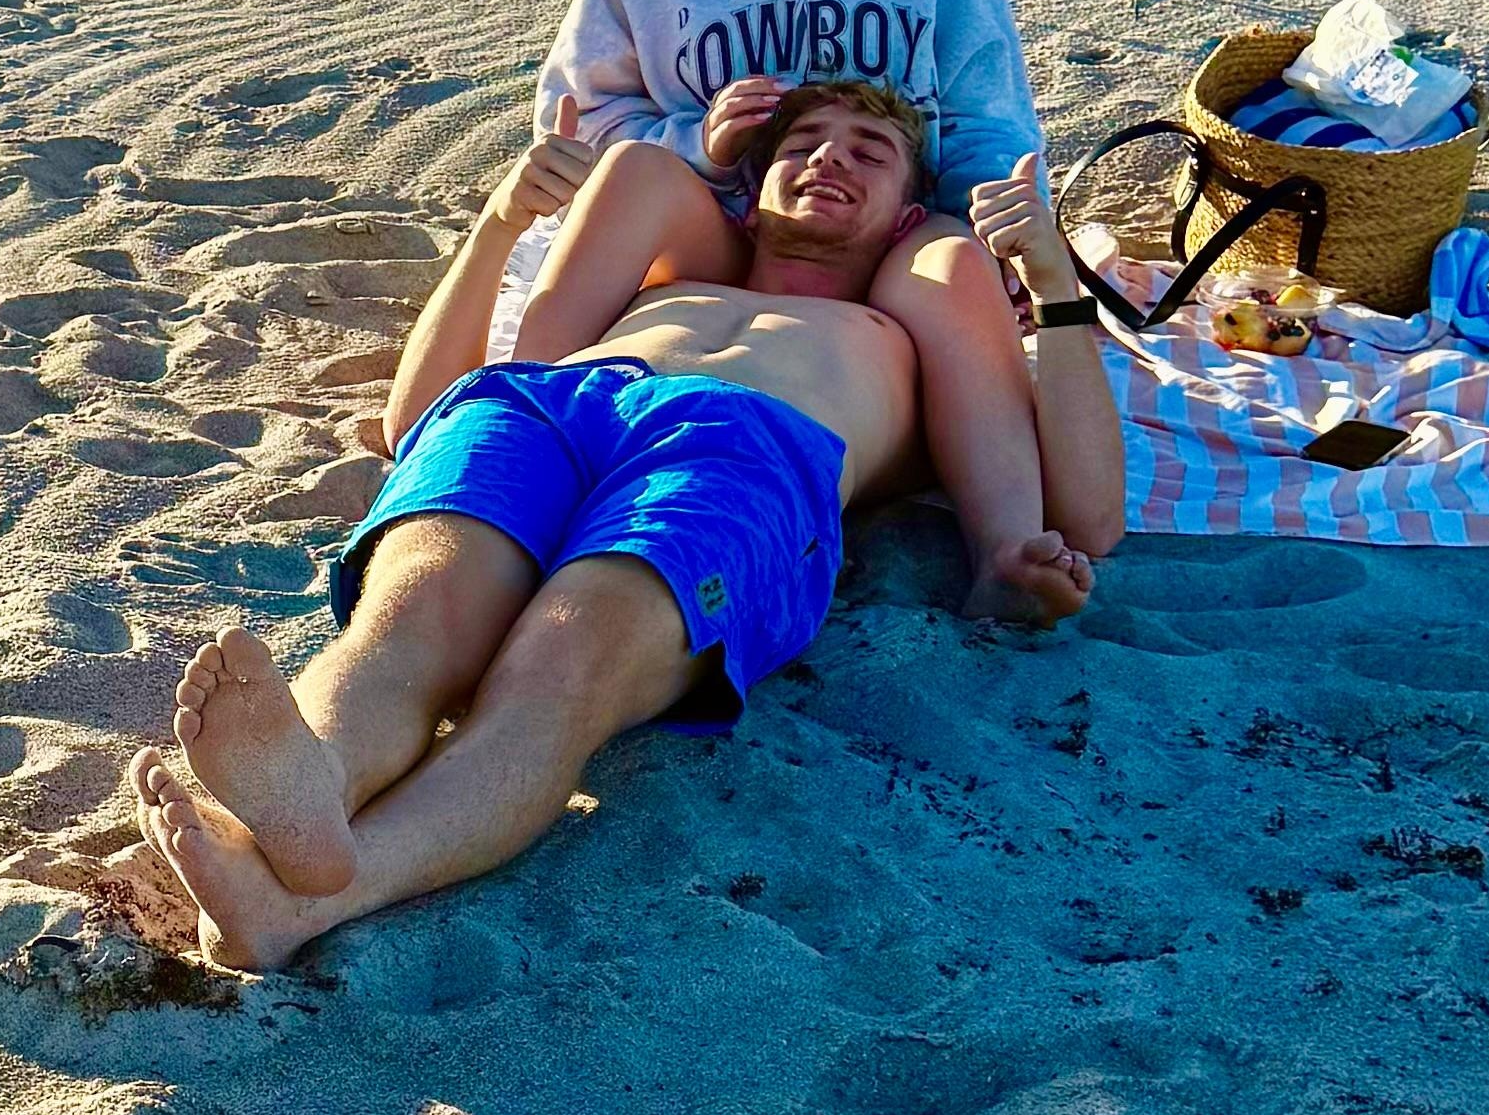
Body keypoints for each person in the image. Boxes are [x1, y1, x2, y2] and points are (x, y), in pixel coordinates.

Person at [125, 81, 1125, 976]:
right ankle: (314, 782)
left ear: (907, 214)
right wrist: (502, 220)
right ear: (750, 192)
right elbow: (414, 414)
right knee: (414, 615)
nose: (830, 157)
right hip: (546, 405)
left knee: (565, 661)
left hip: (745, 444)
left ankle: (305, 897)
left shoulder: (907, 311)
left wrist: (1053, 287)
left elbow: (1085, 516)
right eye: (803, 142)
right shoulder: (671, 271)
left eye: (870, 151)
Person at [531, 0, 1061, 616]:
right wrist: (699, 142)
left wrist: (999, 235)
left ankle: (1004, 550)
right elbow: (579, 120)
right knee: (638, 180)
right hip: (722, 232)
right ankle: (519, 431)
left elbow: (987, 112)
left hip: (883, 231)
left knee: (953, 266)